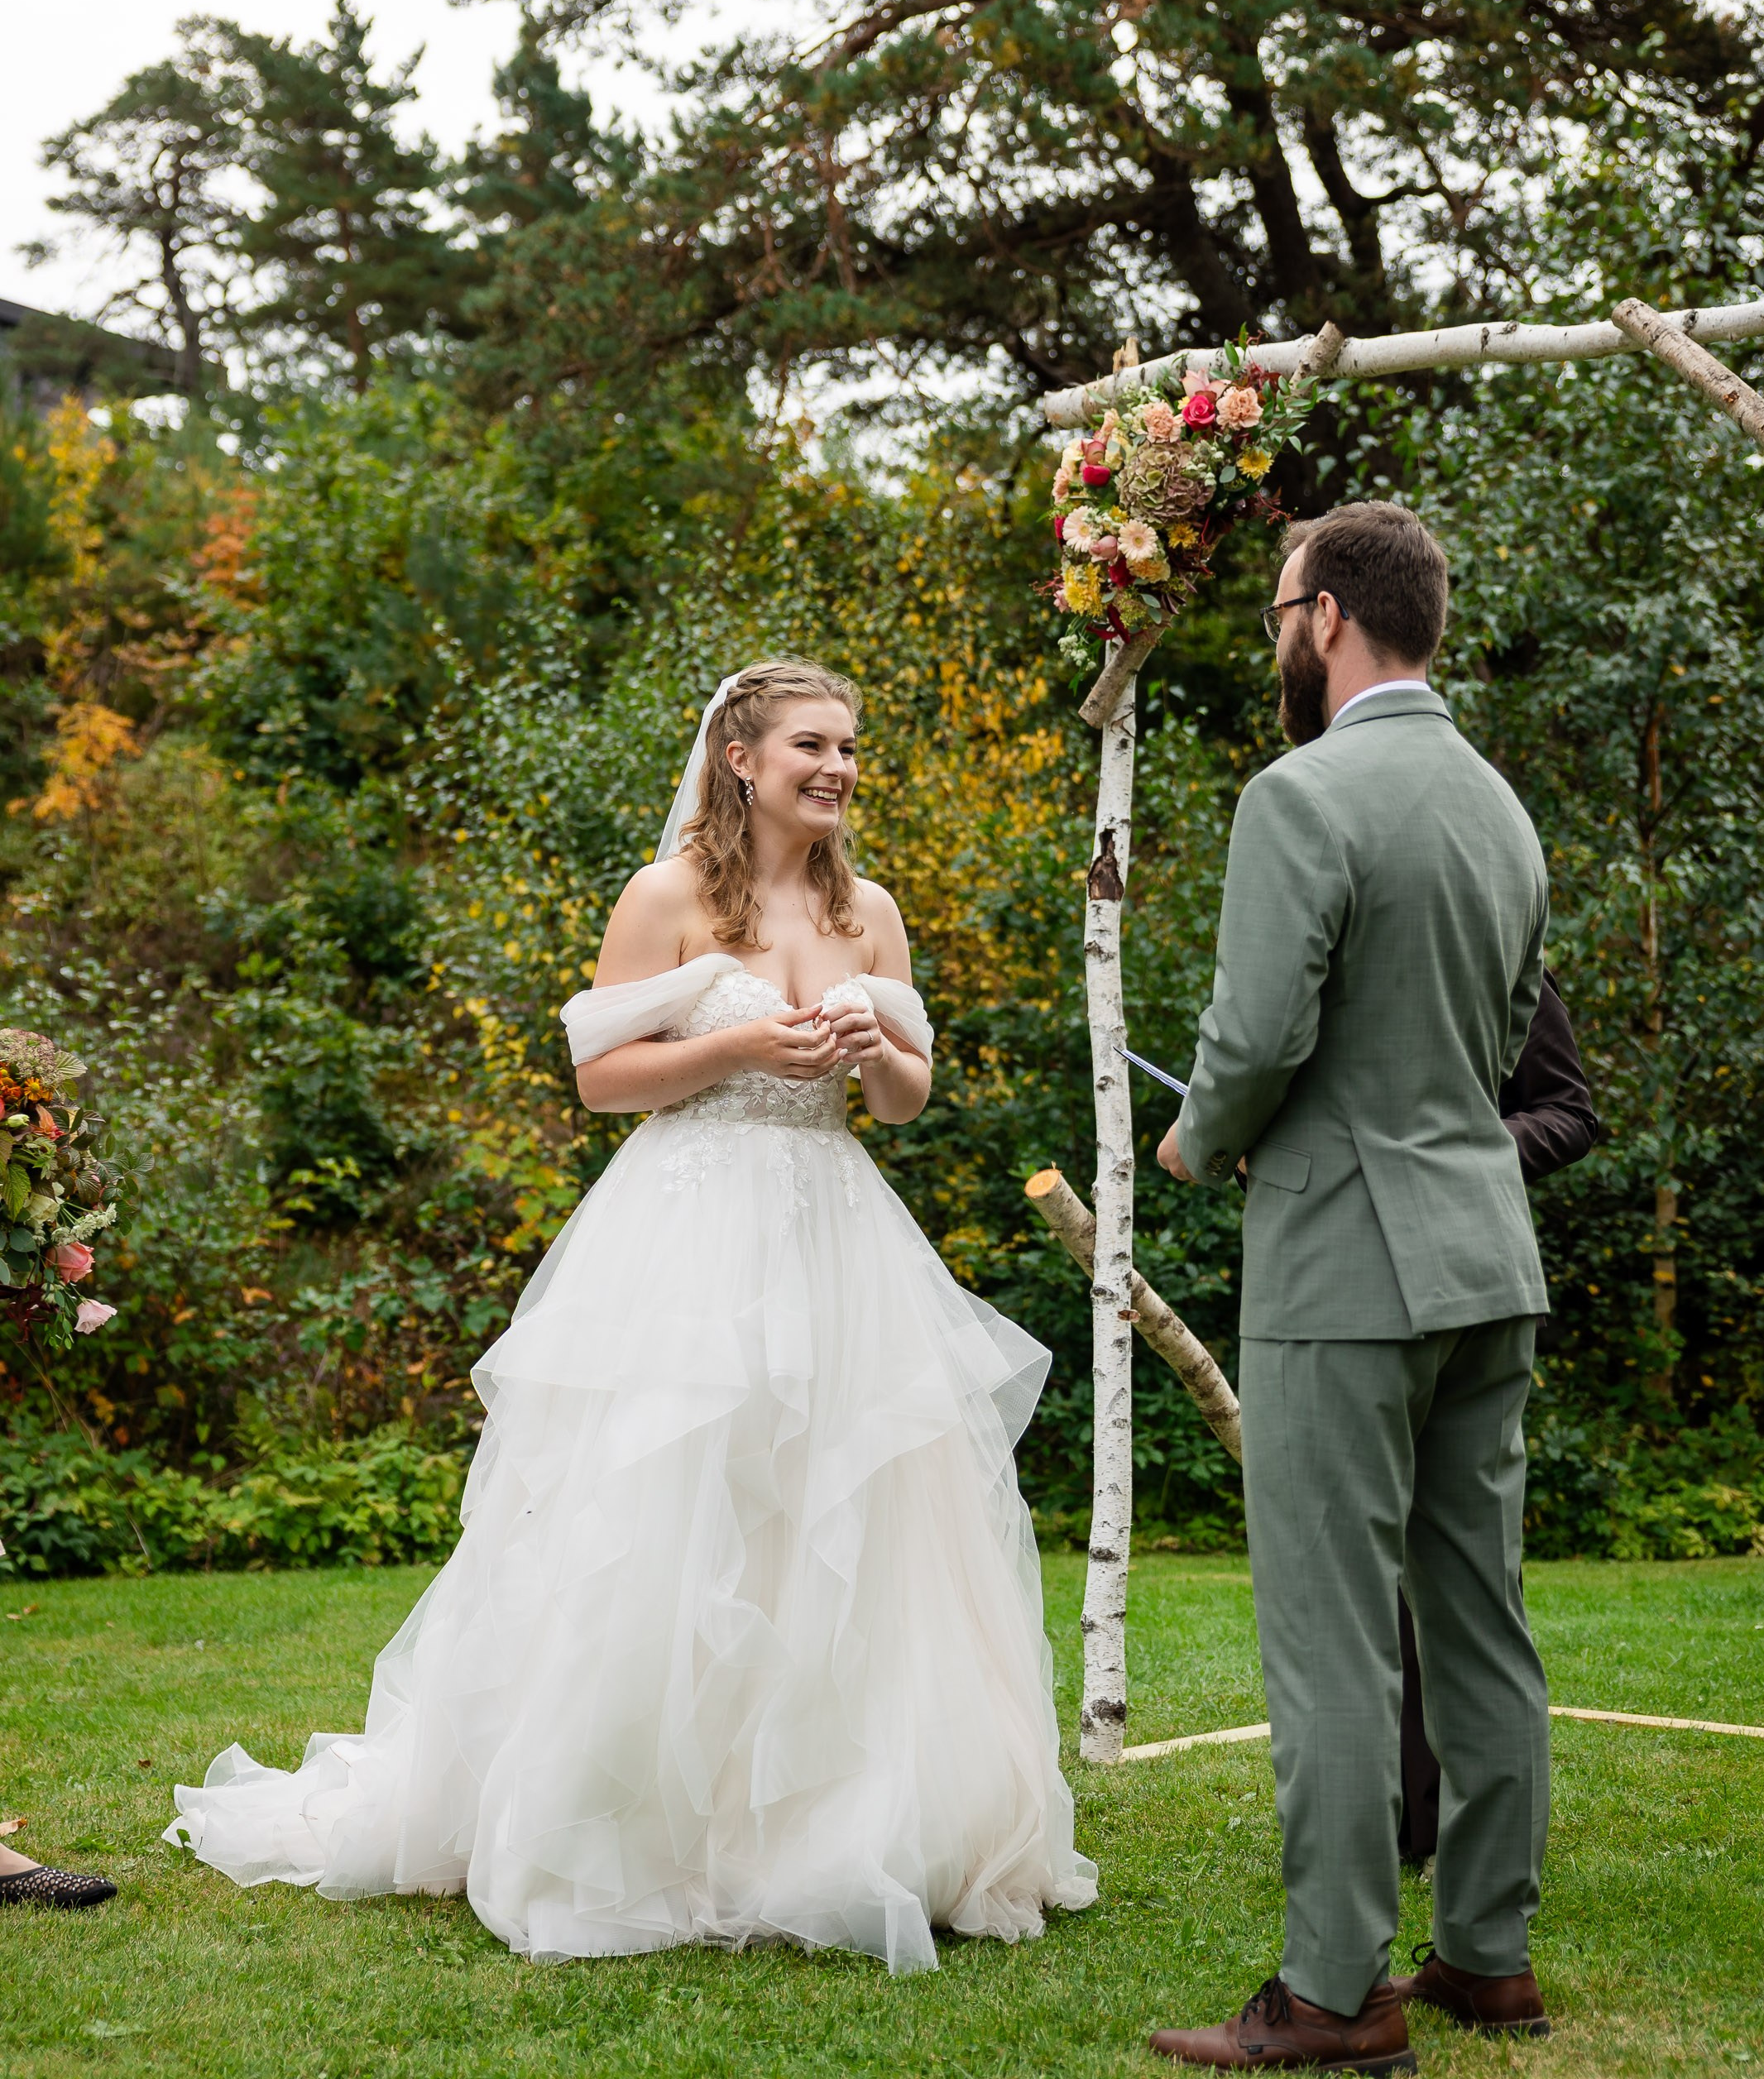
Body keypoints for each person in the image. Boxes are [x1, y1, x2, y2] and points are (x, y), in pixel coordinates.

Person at [168, 659, 1095, 1973]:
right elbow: (604, 1081)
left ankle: (837, 1823)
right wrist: (740, 1049)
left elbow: (906, 1102)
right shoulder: (667, 898)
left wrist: (862, 1054)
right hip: (689, 1234)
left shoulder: (866, 907)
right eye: (810, 747)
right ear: (741, 758)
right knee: (674, 1511)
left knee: (841, 1513)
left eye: (848, 748)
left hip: (836, 1235)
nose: (835, 769)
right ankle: (648, 1825)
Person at [1148, 503, 1553, 2079]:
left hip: (1341, 1262)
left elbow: (1250, 1041)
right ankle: (1490, 1960)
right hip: (1485, 1256)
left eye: (1273, 609)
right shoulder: (1503, 809)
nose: (1272, 635)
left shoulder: (1300, 795)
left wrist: (1201, 1137)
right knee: (1483, 1623)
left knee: (1330, 1638)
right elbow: (1507, 1032)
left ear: (1325, 617)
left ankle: (1334, 1991)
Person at [1399, 971, 1599, 1865]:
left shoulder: (1510, 963)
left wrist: (1463, 1152)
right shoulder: (1335, 952)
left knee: (1469, 1574)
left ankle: (1473, 1834)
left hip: (1474, 1283)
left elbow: (1568, 1111)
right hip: (1341, 1281)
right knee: (1367, 1583)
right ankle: (1404, 1813)